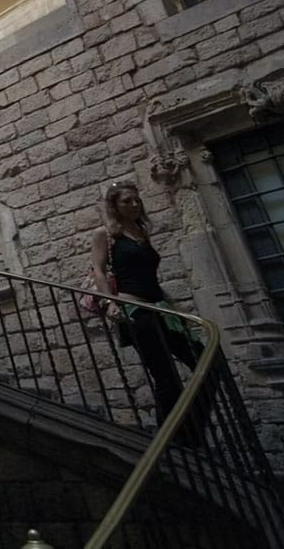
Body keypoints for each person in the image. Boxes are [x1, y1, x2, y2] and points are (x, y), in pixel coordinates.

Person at [90, 181, 203, 426]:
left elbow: (148, 277)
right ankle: (176, 440)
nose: (134, 204)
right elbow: (99, 271)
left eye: (136, 200)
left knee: (206, 361)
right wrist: (111, 302)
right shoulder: (106, 235)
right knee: (166, 376)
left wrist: (175, 306)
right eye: (126, 201)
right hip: (136, 311)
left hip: (160, 307)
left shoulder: (142, 233)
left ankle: (189, 429)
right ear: (114, 206)